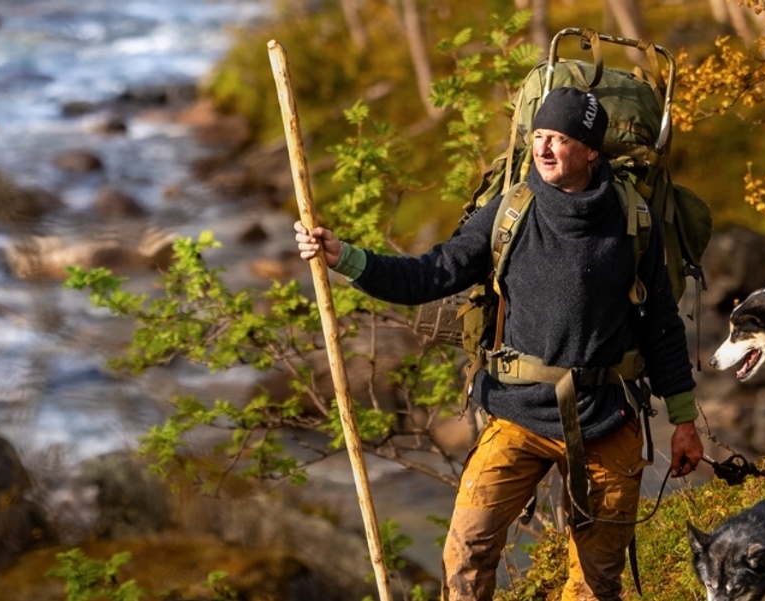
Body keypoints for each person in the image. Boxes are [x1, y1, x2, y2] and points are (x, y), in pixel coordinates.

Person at [295, 87, 702, 601]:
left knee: (596, 584)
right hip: (516, 414)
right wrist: (345, 259)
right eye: (538, 136)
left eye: (560, 138)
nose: (545, 148)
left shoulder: (633, 221)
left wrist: (684, 420)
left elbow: (661, 324)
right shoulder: (511, 211)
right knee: (466, 552)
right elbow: (432, 273)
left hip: (605, 418)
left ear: (592, 151)